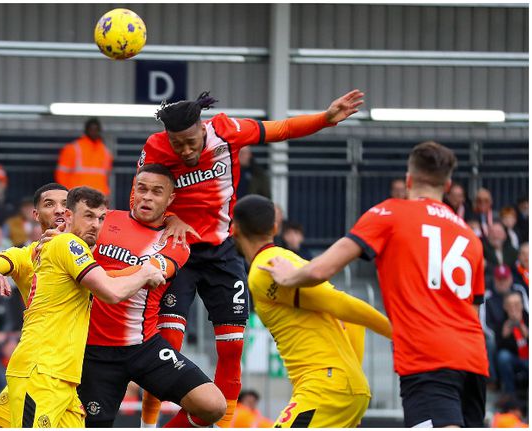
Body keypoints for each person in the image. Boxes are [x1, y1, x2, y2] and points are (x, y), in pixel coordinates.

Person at [136, 89, 364, 427]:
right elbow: (139, 199)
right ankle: (148, 424)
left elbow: (282, 129)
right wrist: (170, 218)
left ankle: (223, 424)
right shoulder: (154, 148)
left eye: (190, 141)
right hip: (176, 251)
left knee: (231, 347)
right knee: (167, 345)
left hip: (221, 253)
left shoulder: (227, 132)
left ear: (202, 128)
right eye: (177, 144)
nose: (185, 150)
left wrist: (325, 119)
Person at [258, 141, 489, 427]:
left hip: (428, 355)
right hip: (474, 358)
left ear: (408, 179)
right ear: (448, 183)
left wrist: (287, 276)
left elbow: (324, 268)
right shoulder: (470, 236)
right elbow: (475, 310)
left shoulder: (390, 213)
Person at [5, 186, 165, 428]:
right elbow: (111, 292)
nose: (96, 225)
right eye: (88, 216)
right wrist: (144, 273)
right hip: (41, 373)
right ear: (68, 216)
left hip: (65, 379)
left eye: (101, 218)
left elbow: (108, 277)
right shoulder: (68, 244)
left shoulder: (65, 247)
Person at [80, 164, 225, 428]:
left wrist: (90, 277)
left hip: (144, 347)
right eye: (142, 189)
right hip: (93, 350)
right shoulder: (105, 219)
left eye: (157, 192)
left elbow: (153, 271)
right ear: (133, 190)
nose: (147, 196)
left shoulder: (176, 240)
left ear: (170, 199)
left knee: (213, 406)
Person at [232, 194, 392, 427]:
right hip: (338, 386)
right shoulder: (288, 259)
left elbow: (339, 303)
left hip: (324, 387)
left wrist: (396, 332)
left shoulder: (265, 270)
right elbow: (349, 319)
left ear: (234, 229)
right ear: (275, 227)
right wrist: (353, 384)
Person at [0, 183, 68, 428]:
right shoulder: (26, 256)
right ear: (35, 215)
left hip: (68, 369)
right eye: (50, 204)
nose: (59, 210)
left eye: (65, 205)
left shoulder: (87, 253)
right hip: (37, 369)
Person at [55, 118, 113, 197]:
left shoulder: (106, 152)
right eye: (91, 129)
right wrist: (67, 194)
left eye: (96, 129)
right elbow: (61, 174)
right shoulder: (72, 148)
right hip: (77, 195)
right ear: (86, 130)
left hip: (99, 196)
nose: (94, 132)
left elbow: (106, 176)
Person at [495, 291, 529, 396]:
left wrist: (521, 327)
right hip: (514, 359)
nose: (514, 309)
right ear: (505, 307)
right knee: (503, 357)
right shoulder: (501, 321)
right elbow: (498, 347)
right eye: (511, 305)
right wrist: (507, 330)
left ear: (522, 305)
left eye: (517, 305)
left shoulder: (528, 318)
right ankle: (510, 395)